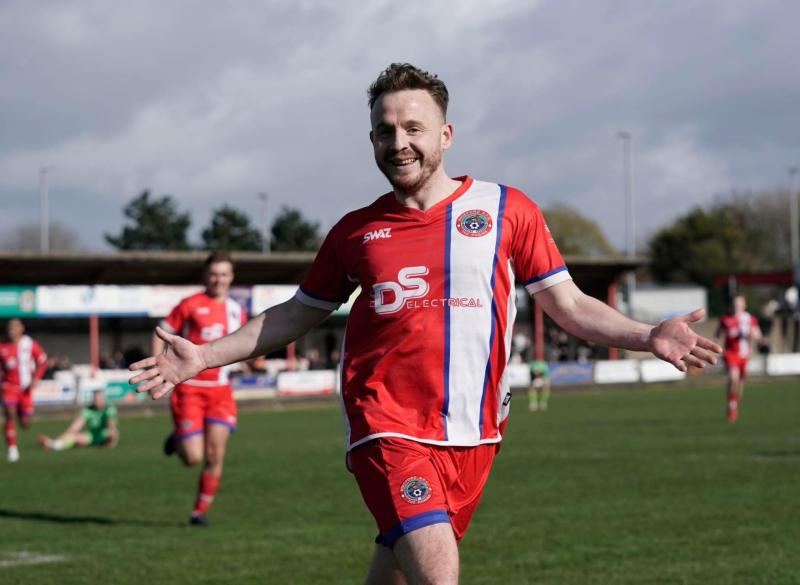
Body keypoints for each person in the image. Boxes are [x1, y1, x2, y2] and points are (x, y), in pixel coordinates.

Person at [131, 63, 721, 584]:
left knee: (396, 570)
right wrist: (203, 356)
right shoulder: (355, 232)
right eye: (384, 131)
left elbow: (568, 305)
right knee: (437, 575)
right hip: (385, 425)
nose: (399, 143)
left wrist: (647, 335)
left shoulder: (506, 209)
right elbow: (296, 312)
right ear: (371, 140)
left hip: (476, 433)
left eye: (413, 128)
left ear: (445, 134)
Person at [155, 251, 248, 526]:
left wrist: (252, 361)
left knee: (215, 454)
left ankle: (199, 512)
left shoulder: (237, 310)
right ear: (205, 276)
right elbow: (161, 331)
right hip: (190, 389)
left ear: (231, 277)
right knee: (193, 458)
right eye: (214, 274)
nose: (219, 279)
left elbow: (245, 344)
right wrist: (159, 367)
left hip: (221, 391)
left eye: (224, 274)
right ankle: (179, 440)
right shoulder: (190, 304)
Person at [0, 319, 47, 462]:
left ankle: (22, 416)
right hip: (8, 387)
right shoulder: (2, 346)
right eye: (10, 327)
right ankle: (12, 449)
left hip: (25, 389)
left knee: (26, 423)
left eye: (15, 327)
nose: (12, 330)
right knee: (10, 414)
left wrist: (36, 378)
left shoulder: (29, 344)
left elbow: (43, 360)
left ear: (22, 329)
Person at [716, 294, 762, 423]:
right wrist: (717, 348)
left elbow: (758, 335)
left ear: (744, 305)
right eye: (735, 303)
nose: (737, 305)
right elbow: (718, 334)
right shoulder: (726, 318)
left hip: (744, 355)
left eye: (739, 303)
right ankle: (731, 406)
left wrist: (753, 335)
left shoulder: (750, 319)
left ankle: (734, 404)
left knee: (740, 383)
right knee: (733, 378)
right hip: (730, 354)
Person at [38, 389, 118, 451]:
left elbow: (112, 427)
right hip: (92, 436)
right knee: (72, 436)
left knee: (111, 433)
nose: (98, 401)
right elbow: (75, 427)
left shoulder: (109, 409)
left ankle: (53, 444)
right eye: (96, 399)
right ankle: (54, 445)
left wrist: (112, 441)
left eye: (100, 399)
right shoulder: (88, 410)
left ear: (103, 399)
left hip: (104, 436)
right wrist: (69, 433)